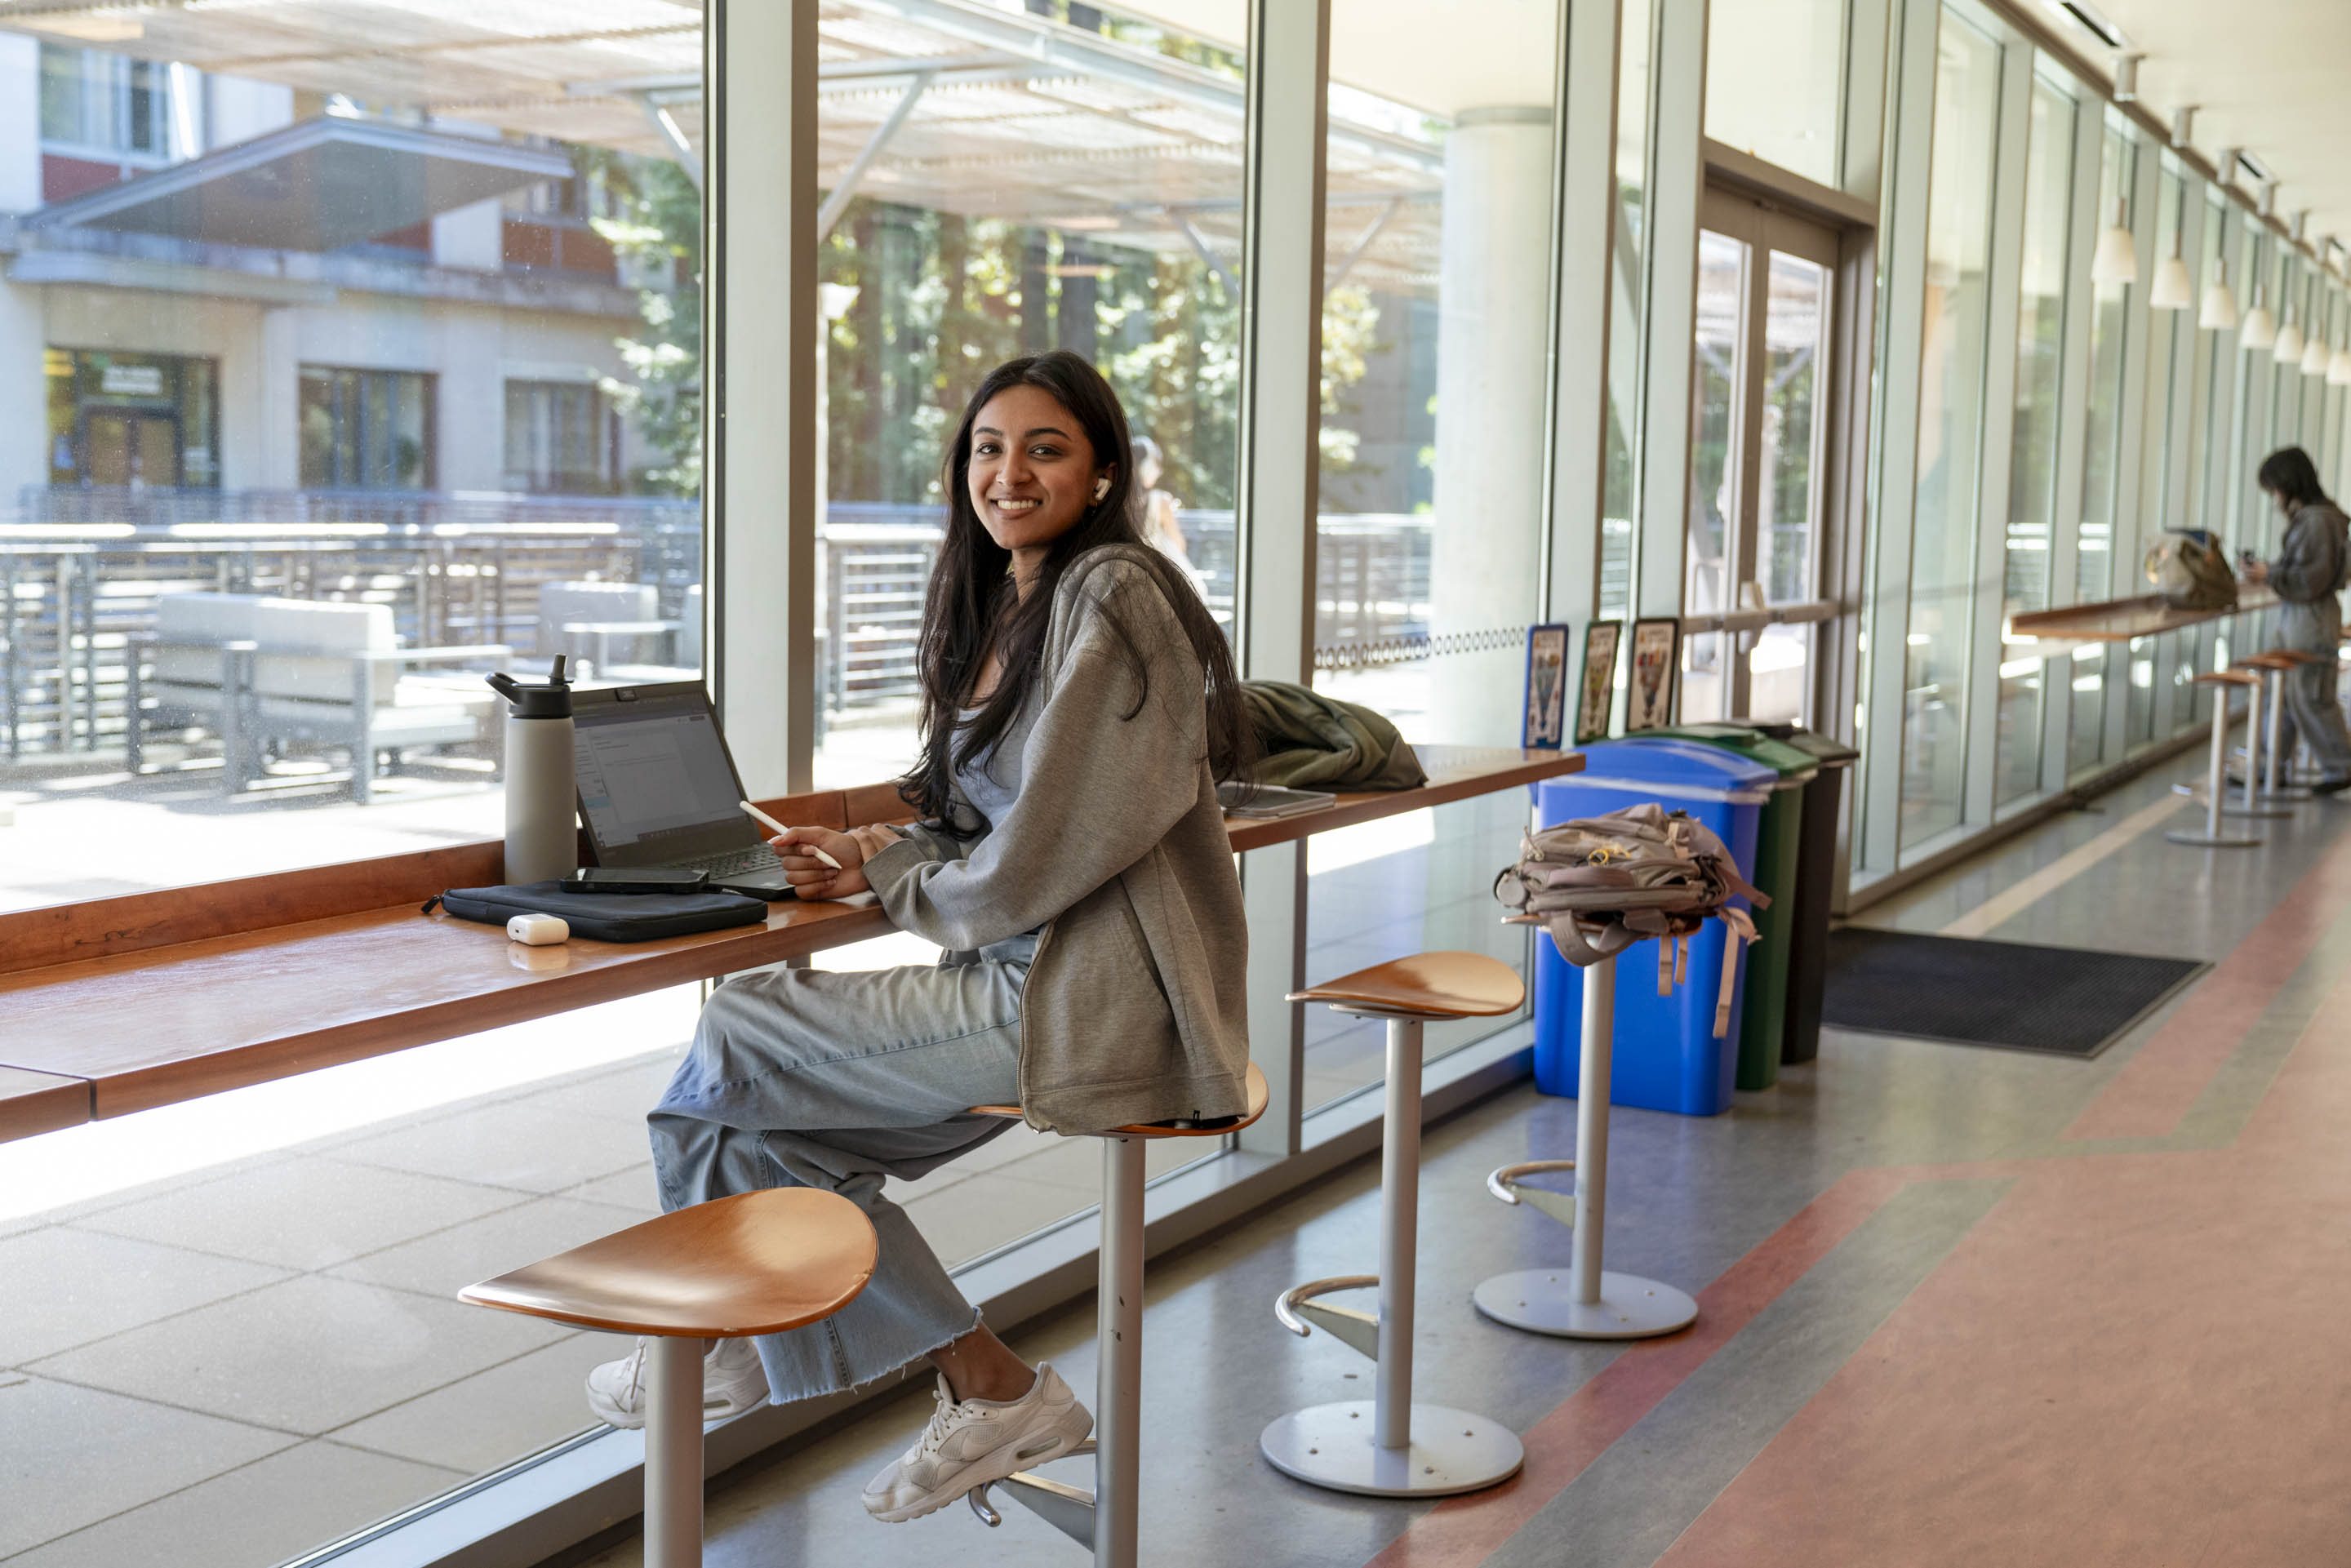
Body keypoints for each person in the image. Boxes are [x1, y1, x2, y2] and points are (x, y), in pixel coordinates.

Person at [583, 351, 1255, 1525]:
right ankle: (986, 1383)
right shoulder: (1019, 600)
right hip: (1026, 975)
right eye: (988, 448)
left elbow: (1044, 850)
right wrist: (874, 844)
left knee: (734, 1032)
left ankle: (727, 1332)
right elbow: (988, 807)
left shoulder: (1113, 595)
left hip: (1086, 997)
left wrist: (893, 870)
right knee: (747, 1140)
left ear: (1101, 471)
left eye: (1044, 447)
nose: (1008, 472)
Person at [2242, 445, 2351, 793]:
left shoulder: (2318, 520)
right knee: (2287, 693)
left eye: (2274, 489)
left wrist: (2269, 574)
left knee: (2310, 694)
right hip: (2306, 615)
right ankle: (2269, 768)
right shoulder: (2321, 517)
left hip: (2311, 616)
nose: (2274, 498)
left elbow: (2309, 580)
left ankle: (2340, 766)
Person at [1127, 433, 1202, 583]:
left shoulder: (1119, 502)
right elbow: (1179, 544)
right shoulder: (1160, 501)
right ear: (1146, 468)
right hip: (1159, 574)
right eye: (1156, 465)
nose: (1159, 472)